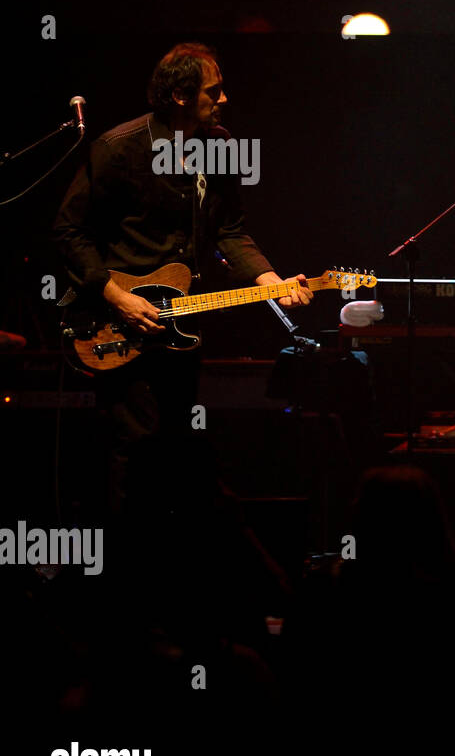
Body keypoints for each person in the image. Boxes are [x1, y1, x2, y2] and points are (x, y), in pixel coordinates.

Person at [53, 42, 312, 514]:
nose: (225, 99)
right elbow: (69, 230)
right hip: (122, 323)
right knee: (134, 447)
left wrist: (272, 280)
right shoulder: (117, 148)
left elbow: (230, 230)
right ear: (179, 95)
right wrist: (113, 295)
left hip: (182, 322)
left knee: (177, 445)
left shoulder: (221, 146)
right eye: (214, 90)